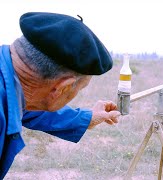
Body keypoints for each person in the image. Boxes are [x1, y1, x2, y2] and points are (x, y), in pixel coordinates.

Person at [0, 12, 121, 179]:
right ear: (62, 88)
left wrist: (87, 118)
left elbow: (26, 108)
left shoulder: (11, 84)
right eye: (80, 88)